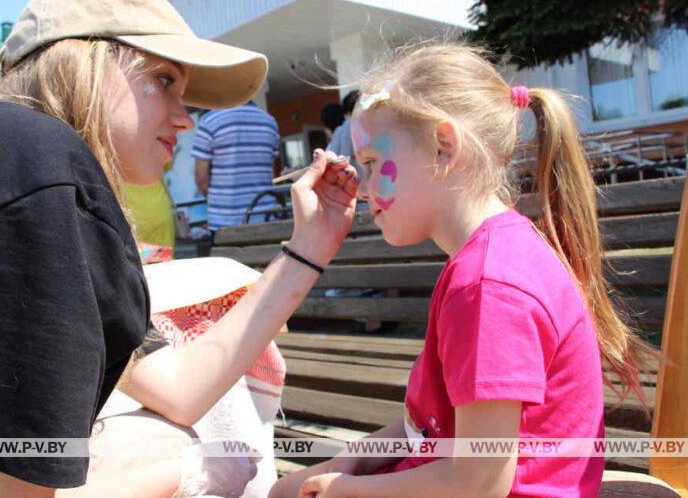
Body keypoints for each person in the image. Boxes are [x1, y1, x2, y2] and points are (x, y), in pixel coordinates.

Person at [0, 0, 359, 498]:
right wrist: (185, 476)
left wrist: (309, 247)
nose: (185, 121)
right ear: (82, 62)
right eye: (164, 80)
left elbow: (180, 388)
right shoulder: (30, 162)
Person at [270, 44, 655, 498]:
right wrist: (356, 458)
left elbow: (480, 481)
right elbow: (431, 424)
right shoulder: (493, 257)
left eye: (373, 164)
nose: (365, 186)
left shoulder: (488, 286)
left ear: (443, 147)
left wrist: (346, 489)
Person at [192, 101, 280, 233]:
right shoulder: (269, 121)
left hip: (225, 222)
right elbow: (270, 170)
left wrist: (219, 204)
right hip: (266, 217)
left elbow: (201, 179)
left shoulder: (210, 120)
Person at [325, 90, 359, 160]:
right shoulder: (372, 124)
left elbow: (333, 156)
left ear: (346, 113)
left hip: (350, 169)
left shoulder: (341, 131)